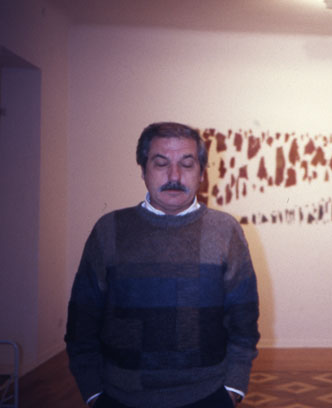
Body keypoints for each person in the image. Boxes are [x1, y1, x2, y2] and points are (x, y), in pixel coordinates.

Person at [65, 122, 260, 408]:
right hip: (120, 397)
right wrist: (93, 393)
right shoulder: (109, 229)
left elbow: (244, 319)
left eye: (187, 164)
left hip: (208, 394)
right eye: (161, 163)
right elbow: (82, 320)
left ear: (202, 173)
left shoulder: (225, 230)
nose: (174, 176)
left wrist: (233, 388)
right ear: (143, 170)